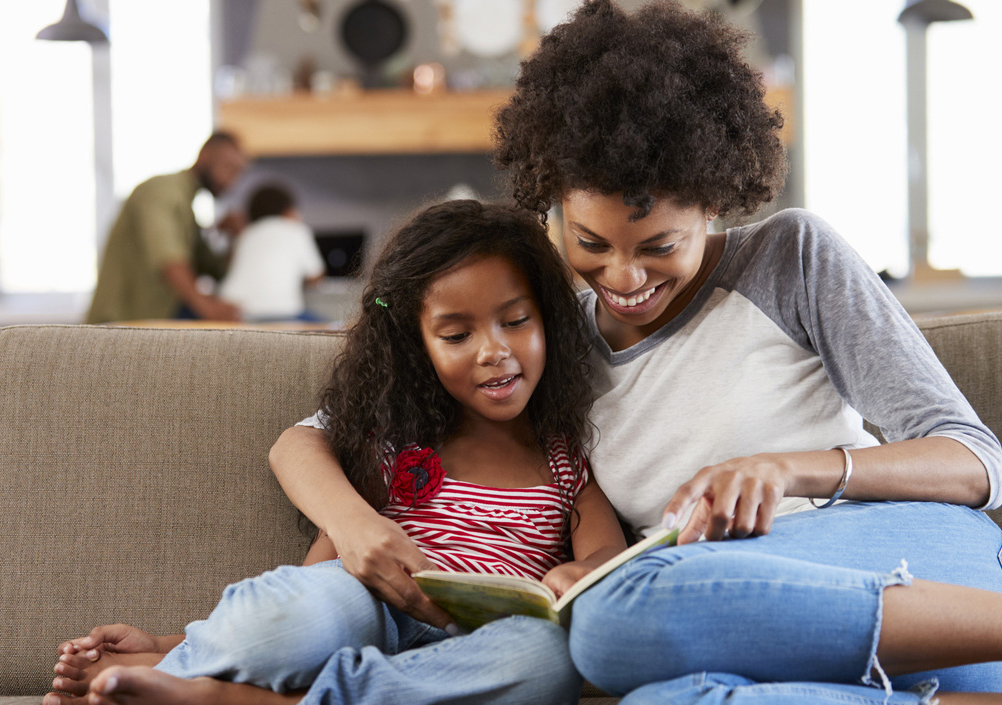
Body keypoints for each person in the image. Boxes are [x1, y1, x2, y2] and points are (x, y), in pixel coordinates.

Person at [269, 2, 1002, 704]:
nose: (624, 278)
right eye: (590, 244)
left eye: (659, 246)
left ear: (716, 199)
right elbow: (312, 436)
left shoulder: (791, 258)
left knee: (612, 620)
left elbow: (978, 462)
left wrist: (792, 468)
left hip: (939, 582)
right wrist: (354, 525)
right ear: (552, 207)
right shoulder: (545, 342)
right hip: (730, 626)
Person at [45, 200, 628, 705]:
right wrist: (168, 637)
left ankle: (223, 695)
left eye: (517, 321)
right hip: (372, 613)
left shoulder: (565, 461)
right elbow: (311, 594)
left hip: (480, 644)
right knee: (316, 605)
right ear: (416, 344)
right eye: (457, 335)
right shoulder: (398, 446)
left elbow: (608, 552)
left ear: (548, 320)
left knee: (547, 661)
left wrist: (578, 572)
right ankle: (184, 664)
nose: (494, 351)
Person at [85, 131, 247, 325]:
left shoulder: (187, 209)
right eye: (229, 167)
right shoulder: (161, 191)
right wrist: (208, 308)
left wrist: (236, 237)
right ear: (205, 155)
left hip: (151, 322)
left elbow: (215, 270)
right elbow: (168, 258)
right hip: (118, 325)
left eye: (238, 173)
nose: (232, 180)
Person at [219, 183, 326, 322]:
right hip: (281, 311)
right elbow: (316, 277)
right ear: (288, 211)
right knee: (332, 326)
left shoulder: (247, 233)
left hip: (233, 309)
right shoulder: (297, 230)